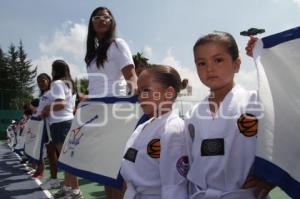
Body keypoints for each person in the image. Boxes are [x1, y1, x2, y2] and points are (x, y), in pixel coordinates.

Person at [185, 31, 273, 199]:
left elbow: (286, 142)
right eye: (201, 63)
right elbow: (189, 160)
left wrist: (272, 177)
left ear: (236, 64)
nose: (209, 69)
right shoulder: (192, 114)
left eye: (218, 60)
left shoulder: (256, 103)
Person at [84, 6, 138, 199]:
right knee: (104, 171)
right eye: (96, 17)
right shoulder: (92, 53)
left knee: (117, 171)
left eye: (106, 17)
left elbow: (131, 77)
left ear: (111, 21)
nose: (101, 20)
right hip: (96, 113)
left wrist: (134, 105)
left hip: (115, 112)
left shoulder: (117, 44)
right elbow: (95, 85)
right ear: (92, 23)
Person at [120, 64, 189, 199]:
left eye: (146, 90)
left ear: (169, 93)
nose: (140, 97)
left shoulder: (173, 130)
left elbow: (174, 186)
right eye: (139, 92)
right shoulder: (142, 126)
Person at [41, 60, 81, 199]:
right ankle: (68, 187)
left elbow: (61, 104)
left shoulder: (57, 84)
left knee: (66, 159)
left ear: (55, 70)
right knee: (65, 158)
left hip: (60, 123)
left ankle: (75, 191)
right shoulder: (69, 84)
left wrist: (47, 108)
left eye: (52, 69)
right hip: (67, 122)